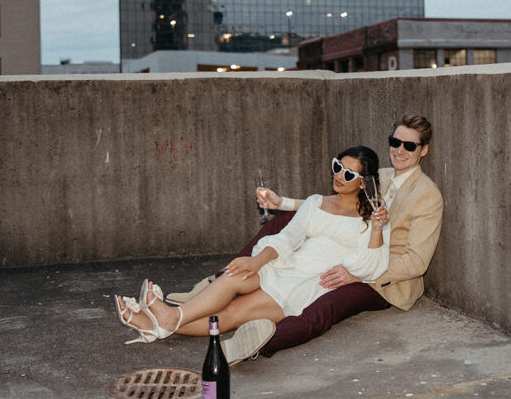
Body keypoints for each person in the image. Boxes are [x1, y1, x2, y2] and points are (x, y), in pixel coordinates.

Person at [168, 113, 442, 364]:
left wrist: (358, 274)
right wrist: (282, 202)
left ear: (424, 150)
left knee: (326, 305)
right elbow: (328, 207)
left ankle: (258, 343)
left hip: (384, 279)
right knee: (283, 221)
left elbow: (417, 263)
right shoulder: (378, 176)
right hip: (350, 254)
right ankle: (222, 278)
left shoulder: (427, 195)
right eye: (396, 142)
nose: (400, 150)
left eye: (410, 146)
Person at [115, 146, 391, 345]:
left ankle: (158, 324)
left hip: (309, 283)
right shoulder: (316, 202)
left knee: (235, 313)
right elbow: (288, 237)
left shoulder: (375, 216)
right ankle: (168, 318)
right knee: (237, 273)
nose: (340, 176)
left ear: (364, 182)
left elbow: (372, 266)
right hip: (287, 263)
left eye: (350, 175)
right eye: (337, 168)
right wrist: (256, 261)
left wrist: (378, 228)